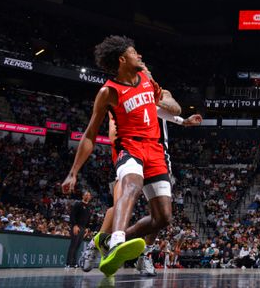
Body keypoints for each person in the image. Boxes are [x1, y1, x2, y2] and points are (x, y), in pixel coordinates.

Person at [63, 36, 173, 277]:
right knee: (131, 186)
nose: (140, 56)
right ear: (122, 59)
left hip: (155, 149)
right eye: (135, 53)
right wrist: (73, 173)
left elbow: (161, 104)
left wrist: (181, 117)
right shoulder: (108, 92)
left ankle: (104, 241)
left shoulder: (147, 77)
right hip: (129, 146)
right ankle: (117, 242)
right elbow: (90, 134)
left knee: (164, 217)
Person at [80, 61, 202, 276]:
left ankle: (140, 252)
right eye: (140, 68)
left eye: (145, 68)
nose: (142, 70)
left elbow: (170, 109)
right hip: (130, 150)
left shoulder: (159, 92)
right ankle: (95, 245)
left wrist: (182, 120)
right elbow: (112, 130)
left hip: (159, 154)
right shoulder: (123, 95)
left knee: (160, 215)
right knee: (121, 201)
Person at [66, 191, 92, 268]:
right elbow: (72, 215)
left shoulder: (88, 207)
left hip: (83, 228)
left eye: (89, 195)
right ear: (83, 196)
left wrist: (87, 228)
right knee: (73, 245)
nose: (88, 196)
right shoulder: (78, 204)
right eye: (86, 195)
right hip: (77, 227)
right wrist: (74, 225)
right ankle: (68, 263)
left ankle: (74, 263)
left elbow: (88, 219)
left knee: (77, 246)